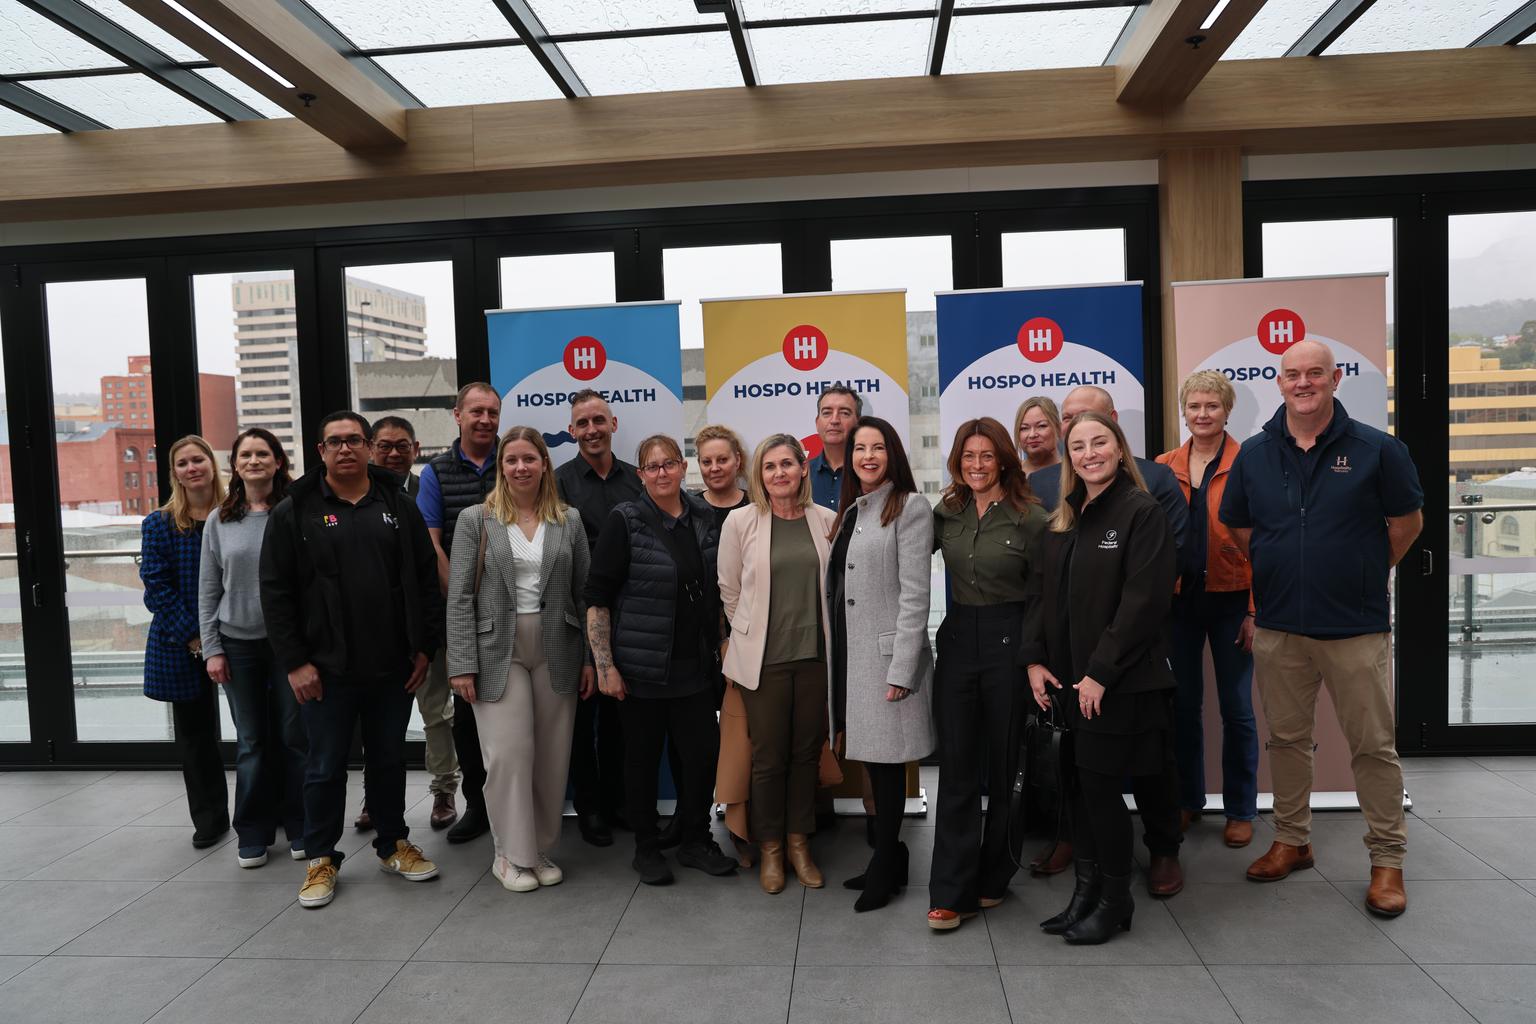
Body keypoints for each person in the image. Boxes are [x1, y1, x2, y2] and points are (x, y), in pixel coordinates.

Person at [1219, 340, 1423, 918]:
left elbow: (1407, 524)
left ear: (1335, 379)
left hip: (1355, 627)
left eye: (1315, 373)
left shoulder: (1378, 449)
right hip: (1280, 626)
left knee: (1373, 747)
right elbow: (1237, 527)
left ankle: (1387, 860)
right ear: (1279, 382)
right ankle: (1292, 840)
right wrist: (1283, 566)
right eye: (1293, 374)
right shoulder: (1255, 453)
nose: (1303, 382)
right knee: (1286, 741)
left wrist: (1361, 570)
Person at [260, 411, 443, 909]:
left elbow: (425, 580)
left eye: (354, 440)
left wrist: (424, 647)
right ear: (320, 451)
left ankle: (393, 844)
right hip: (324, 670)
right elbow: (275, 593)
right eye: (334, 441)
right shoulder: (294, 511)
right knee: (324, 766)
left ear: (367, 447)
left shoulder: (398, 505)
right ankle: (321, 857)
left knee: (388, 760)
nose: (345, 449)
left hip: (393, 665)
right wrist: (295, 662)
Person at [1023, 411, 1178, 946]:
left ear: (1118, 448)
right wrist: (1034, 660)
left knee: (1103, 794)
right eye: (1079, 446)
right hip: (1067, 683)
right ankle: (1085, 895)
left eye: (1099, 443)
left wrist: (1099, 673)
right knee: (1080, 791)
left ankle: (1115, 901)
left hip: (1115, 685)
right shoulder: (1065, 517)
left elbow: (1143, 604)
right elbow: (1039, 595)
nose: (1089, 453)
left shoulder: (1141, 512)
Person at [585, 434, 738, 885]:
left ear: (683, 467)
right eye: (652, 467)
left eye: (669, 464)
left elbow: (718, 593)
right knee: (642, 762)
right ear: (641, 475)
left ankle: (695, 840)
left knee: (701, 758)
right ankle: (647, 848)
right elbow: (598, 597)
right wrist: (606, 666)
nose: (662, 473)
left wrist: (723, 647)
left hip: (695, 667)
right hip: (642, 669)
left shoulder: (704, 517)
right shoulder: (625, 521)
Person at [446, 427, 592, 892]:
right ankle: (509, 855)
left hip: (559, 647)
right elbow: (460, 596)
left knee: (551, 757)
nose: (521, 467)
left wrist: (592, 659)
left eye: (530, 458)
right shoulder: (476, 519)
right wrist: (460, 663)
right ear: (501, 467)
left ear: (544, 464)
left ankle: (539, 849)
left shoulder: (568, 519)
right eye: (511, 460)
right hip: (497, 650)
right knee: (509, 754)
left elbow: (585, 594)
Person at [927, 417, 1047, 931]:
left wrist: (1034, 657)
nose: (977, 465)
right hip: (958, 641)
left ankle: (995, 874)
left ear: (1003, 460)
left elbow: (1044, 597)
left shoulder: (1031, 518)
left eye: (987, 456)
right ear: (958, 461)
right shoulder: (945, 512)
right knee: (956, 767)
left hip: (1010, 641)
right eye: (968, 456)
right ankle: (950, 891)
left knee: (1004, 766)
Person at [718, 434, 837, 895]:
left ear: (803, 468)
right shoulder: (741, 521)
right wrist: (749, 634)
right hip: (763, 662)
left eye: (787, 464)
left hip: (815, 657)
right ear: (759, 475)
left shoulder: (826, 520)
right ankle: (770, 848)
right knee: (768, 758)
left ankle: (798, 844)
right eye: (770, 466)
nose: (779, 473)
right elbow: (729, 590)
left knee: (806, 754)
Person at [826, 417, 935, 912]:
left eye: (877, 447)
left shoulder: (910, 507)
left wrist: (903, 669)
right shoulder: (853, 510)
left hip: (888, 660)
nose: (867, 456)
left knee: (889, 768)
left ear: (893, 454)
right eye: (859, 448)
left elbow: (915, 595)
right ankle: (890, 859)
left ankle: (887, 862)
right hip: (853, 657)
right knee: (874, 762)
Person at [1157, 371, 1258, 849]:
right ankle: (1186, 801)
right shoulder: (1164, 466)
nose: (1202, 414)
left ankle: (1240, 809)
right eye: (1194, 406)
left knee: (1237, 709)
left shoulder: (1248, 463)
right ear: (1184, 411)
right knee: (1182, 706)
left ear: (1227, 411)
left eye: (1212, 406)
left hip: (1233, 600)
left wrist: (1255, 611)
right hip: (1178, 602)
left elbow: (1264, 540)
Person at [199, 427, 306, 867]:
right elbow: (208, 588)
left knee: (294, 737)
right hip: (237, 644)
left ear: (278, 462)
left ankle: (301, 826)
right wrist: (212, 648)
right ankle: (253, 831)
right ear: (235, 465)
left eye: (263, 453)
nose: (254, 460)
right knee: (251, 742)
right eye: (246, 455)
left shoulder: (295, 513)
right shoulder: (219, 520)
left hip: (288, 646)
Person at [355, 415, 460, 833]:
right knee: (377, 719)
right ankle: (374, 796)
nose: (393, 453)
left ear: (416, 450)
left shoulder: (427, 492)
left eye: (402, 446)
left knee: (436, 712)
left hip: (428, 622)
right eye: (384, 446)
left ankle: (443, 790)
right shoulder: (355, 496)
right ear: (370, 448)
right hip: (378, 630)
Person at [556, 389, 642, 847]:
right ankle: (588, 807)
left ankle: (618, 802)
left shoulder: (636, 479)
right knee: (580, 716)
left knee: (620, 717)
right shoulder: (558, 483)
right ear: (572, 431)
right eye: (583, 423)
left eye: (598, 420)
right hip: (576, 613)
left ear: (613, 424)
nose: (592, 430)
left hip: (630, 615)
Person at [417, 384, 502, 844]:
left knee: (511, 714)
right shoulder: (436, 472)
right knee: (468, 717)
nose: (485, 420)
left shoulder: (515, 461)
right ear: (457, 415)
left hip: (515, 613)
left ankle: (517, 805)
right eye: (476, 412)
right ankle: (478, 807)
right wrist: (466, 602)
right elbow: (431, 544)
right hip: (461, 614)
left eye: (492, 412)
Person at [141, 434, 230, 849]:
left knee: (260, 731)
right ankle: (210, 819)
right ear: (174, 473)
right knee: (196, 739)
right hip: (182, 641)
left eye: (198, 460)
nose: (192, 468)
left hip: (238, 634)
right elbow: (156, 587)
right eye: (183, 463)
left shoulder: (235, 514)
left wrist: (222, 635)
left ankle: (271, 813)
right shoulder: (158, 524)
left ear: (212, 464)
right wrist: (197, 638)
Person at [692, 423, 753, 864]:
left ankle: (744, 825)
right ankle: (697, 822)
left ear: (738, 462)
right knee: (701, 739)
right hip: (696, 644)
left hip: (747, 641)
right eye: (706, 461)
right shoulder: (687, 510)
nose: (715, 467)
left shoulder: (757, 508)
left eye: (722, 459)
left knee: (745, 738)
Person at [807, 386, 861, 512]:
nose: (835, 420)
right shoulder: (801, 475)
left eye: (844, 413)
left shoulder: (870, 472)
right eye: (827, 413)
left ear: (858, 422)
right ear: (817, 423)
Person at [1014, 395, 1062, 473]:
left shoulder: (1074, 473)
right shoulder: (1008, 475)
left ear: (1058, 428)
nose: (1032, 435)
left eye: (1041, 426)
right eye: (1024, 428)